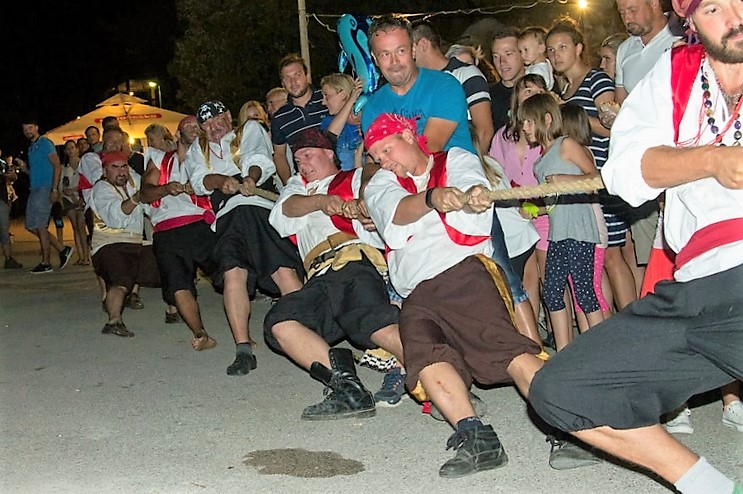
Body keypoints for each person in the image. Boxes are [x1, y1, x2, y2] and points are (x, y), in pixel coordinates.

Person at [528, 0, 743, 491]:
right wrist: (710, 161)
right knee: (561, 389)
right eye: (714, 7)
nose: (734, 17)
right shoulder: (675, 72)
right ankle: (711, 487)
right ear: (689, 20)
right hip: (694, 288)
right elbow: (626, 173)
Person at [363, 112, 545, 478]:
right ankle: (476, 438)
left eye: (387, 150)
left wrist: (472, 198)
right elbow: (396, 213)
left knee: (502, 348)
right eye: (376, 156)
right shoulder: (381, 183)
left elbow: (472, 194)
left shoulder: (456, 159)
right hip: (416, 292)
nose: (383, 161)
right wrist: (433, 198)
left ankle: (571, 419)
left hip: (463, 274)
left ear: (408, 136)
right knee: (424, 358)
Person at [264, 128, 405, 419]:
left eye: (308, 155)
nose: (302, 164)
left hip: (352, 262)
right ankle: (349, 389)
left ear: (329, 154)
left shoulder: (354, 178)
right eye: (297, 159)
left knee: (374, 324)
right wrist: (322, 202)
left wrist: (368, 209)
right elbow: (282, 214)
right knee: (280, 323)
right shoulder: (298, 186)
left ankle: (441, 374)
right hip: (318, 276)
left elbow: (375, 184)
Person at [185, 100, 304, 376]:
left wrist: (250, 178)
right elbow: (200, 180)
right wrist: (220, 182)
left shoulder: (248, 129)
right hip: (228, 216)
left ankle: (311, 331)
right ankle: (243, 350)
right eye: (207, 124)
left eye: (217, 120)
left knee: (282, 270)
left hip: (259, 209)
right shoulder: (197, 149)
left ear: (228, 116)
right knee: (233, 274)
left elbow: (257, 158)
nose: (214, 127)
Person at [547, 17, 638, 312]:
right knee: (596, 257)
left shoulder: (596, 79)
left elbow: (613, 127)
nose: (556, 54)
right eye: (551, 50)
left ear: (578, 48)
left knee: (612, 254)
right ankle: (612, 322)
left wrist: (569, 114)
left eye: (562, 47)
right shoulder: (561, 90)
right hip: (579, 185)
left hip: (601, 176)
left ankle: (634, 318)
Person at [520, 93, 606, 351]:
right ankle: (565, 349)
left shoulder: (566, 145)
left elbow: (596, 180)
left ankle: (602, 350)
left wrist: (565, 180)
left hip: (579, 230)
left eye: (529, 121)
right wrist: (536, 210)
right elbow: (555, 203)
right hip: (557, 233)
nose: (525, 127)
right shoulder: (539, 163)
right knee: (552, 292)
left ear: (547, 119)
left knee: (584, 292)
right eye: (523, 122)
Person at [140, 118, 219, 350]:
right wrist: (166, 188)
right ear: (177, 134)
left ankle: (243, 334)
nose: (195, 129)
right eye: (189, 126)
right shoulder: (160, 159)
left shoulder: (211, 158)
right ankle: (200, 333)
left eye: (198, 126)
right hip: (167, 228)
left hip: (201, 225)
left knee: (230, 273)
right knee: (178, 284)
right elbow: (144, 193)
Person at [361, 14, 476, 155]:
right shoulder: (372, 107)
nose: (394, 62)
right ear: (375, 59)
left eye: (400, 51)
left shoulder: (444, 86)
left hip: (451, 167)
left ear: (413, 50)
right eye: (385, 54)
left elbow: (429, 151)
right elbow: (373, 160)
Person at [89, 151, 160, 338]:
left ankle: (173, 311)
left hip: (136, 243)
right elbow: (115, 218)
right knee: (121, 281)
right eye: (115, 167)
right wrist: (136, 199)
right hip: (109, 244)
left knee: (169, 263)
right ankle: (114, 321)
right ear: (105, 171)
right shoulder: (101, 189)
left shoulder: (133, 182)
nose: (121, 172)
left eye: (124, 167)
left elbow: (151, 203)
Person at [412, 21, 494, 154]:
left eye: (409, 49)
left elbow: (484, 130)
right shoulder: (418, 84)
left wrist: (474, 163)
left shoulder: (466, 73)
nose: (407, 57)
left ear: (423, 44)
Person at [20, 118, 73, 274]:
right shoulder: (32, 147)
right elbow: (36, 171)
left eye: (30, 127)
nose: (28, 131)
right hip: (35, 188)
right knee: (31, 225)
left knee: (41, 225)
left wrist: (55, 189)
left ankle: (46, 262)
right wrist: (25, 169)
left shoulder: (45, 143)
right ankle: (62, 249)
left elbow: (57, 166)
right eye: (25, 129)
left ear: (36, 127)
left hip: (45, 188)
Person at [270, 54, 329, 185]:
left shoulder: (327, 98)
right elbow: (279, 155)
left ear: (307, 76)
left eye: (297, 75)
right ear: (282, 84)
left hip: (340, 173)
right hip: (307, 181)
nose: (293, 82)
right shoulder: (280, 118)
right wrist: (289, 184)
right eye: (287, 78)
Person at [319, 73, 364, 171]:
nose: (323, 102)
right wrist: (351, 100)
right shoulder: (328, 122)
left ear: (342, 94)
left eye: (327, 96)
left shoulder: (365, 117)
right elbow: (331, 136)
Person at [489, 26, 526, 134]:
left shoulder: (541, 89)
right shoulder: (488, 97)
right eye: (496, 56)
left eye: (508, 54)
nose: (502, 62)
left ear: (523, 54)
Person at [61, 140, 90, 265]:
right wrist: (69, 193)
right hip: (68, 199)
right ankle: (80, 256)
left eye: (72, 147)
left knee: (81, 227)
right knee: (75, 228)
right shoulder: (64, 167)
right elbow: (62, 184)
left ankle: (86, 256)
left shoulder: (83, 164)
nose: (70, 150)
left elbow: (87, 182)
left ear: (77, 149)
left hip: (81, 198)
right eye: (68, 148)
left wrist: (75, 192)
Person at [0, 151, 22, 269]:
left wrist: (10, 175)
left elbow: (12, 176)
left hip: (2, 198)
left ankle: (8, 258)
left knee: (4, 228)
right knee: (3, 228)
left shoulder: (2, 163)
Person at [518, 26, 555, 90]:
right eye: (520, 51)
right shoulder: (546, 63)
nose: (522, 55)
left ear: (541, 48)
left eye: (526, 50)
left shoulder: (537, 72)